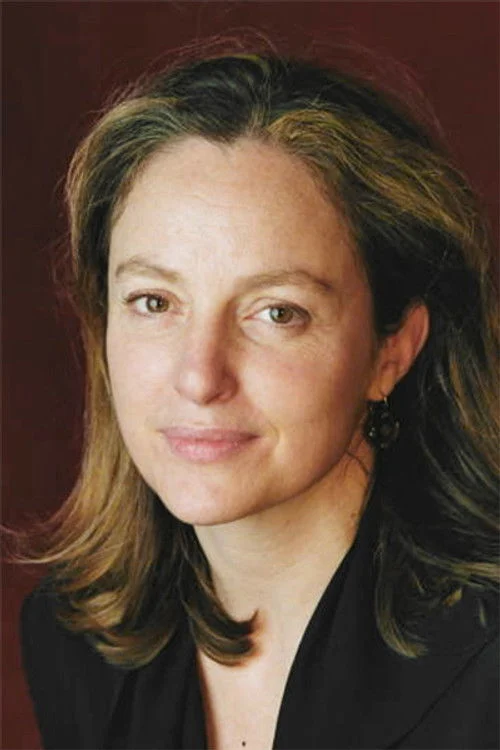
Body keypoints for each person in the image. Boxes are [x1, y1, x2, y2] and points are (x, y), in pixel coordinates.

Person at [20, 51, 498, 750]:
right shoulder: (74, 641)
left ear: (391, 350)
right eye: (154, 301)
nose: (199, 376)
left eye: (277, 313)